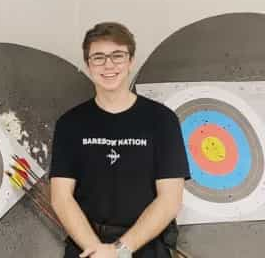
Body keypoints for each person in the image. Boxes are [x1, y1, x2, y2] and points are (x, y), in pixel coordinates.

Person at [49, 22, 190, 258]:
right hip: (87, 249)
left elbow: (170, 200)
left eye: (117, 56)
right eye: (99, 57)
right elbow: (61, 198)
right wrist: (96, 250)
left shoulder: (162, 120)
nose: (109, 65)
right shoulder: (70, 123)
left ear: (130, 60)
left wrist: (121, 250)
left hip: (146, 247)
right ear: (88, 64)